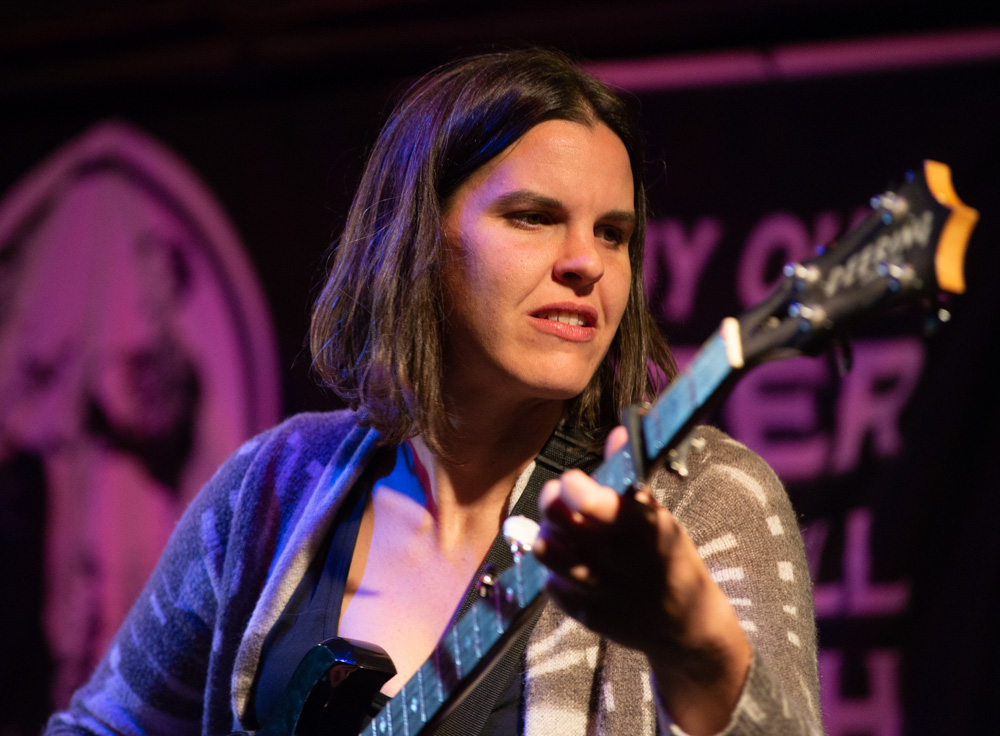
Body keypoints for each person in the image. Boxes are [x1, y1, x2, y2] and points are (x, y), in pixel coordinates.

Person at [44, 49, 822, 736]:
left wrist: (704, 653)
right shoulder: (273, 486)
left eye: (614, 233)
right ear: (418, 241)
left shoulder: (707, 499)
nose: (587, 263)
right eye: (534, 217)